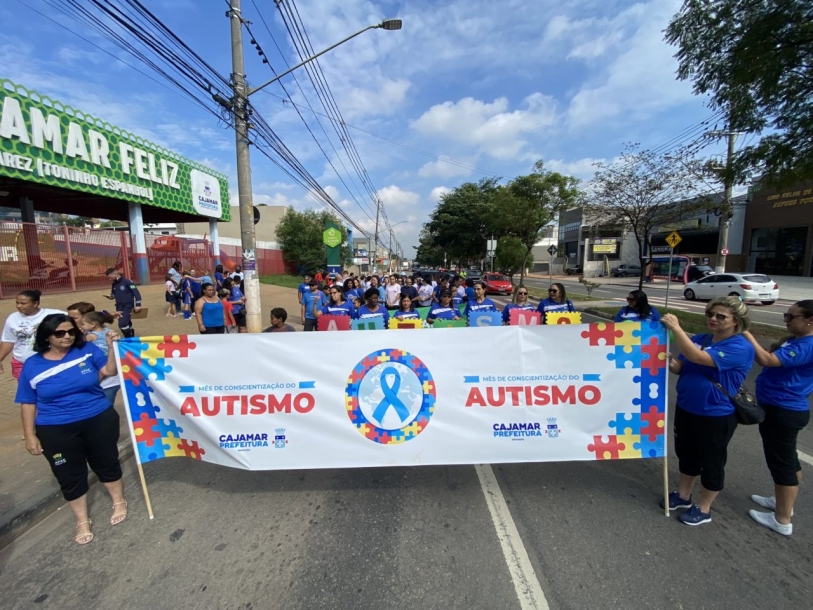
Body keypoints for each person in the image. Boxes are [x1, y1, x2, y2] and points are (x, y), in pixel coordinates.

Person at [15, 314, 126, 545]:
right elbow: (27, 402)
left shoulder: (85, 351)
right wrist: (29, 435)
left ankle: (118, 501)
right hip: (54, 428)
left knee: (106, 461)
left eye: (71, 331)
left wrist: (111, 348)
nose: (67, 336)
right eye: (60, 333)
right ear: (47, 337)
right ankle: (82, 520)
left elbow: (110, 371)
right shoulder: (33, 365)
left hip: (98, 418)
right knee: (69, 474)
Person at [660, 296, 755, 526]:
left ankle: (704, 508)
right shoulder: (702, 338)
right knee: (686, 453)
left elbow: (698, 357)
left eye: (721, 316)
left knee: (712, 460)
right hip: (686, 407)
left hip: (716, 413)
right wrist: (672, 362)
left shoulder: (739, 346)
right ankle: (683, 495)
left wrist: (676, 328)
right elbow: (683, 366)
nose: (713, 319)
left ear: (736, 321)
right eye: (710, 315)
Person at [742, 300, 813, 536]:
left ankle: (782, 519)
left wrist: (747, 333)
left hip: (784, 410)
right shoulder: (796, 340)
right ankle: (782, 503)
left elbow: (767, 360)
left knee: (781, 463)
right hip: (779, 407)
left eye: (791, 317)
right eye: (786, 315)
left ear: (809, 320)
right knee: (787, 459)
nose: (786, 320)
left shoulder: (807, 345)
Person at [1, 290, 64, 379]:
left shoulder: (54, 315)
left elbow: (77, 321)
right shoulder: (13, 318)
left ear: (35, 303)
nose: (19, 306)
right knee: (26, 390)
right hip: (21, 364)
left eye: (23, 303)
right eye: (17, 303)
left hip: (48, 362)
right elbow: (8, 340)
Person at [79, 311, 121, 406]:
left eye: (83, 324)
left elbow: (81, 345)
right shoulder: (107, 330)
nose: (82, 326)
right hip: (109, 356)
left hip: (100, 358)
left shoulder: (91, 336)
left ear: (93, 324)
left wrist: (81, 334)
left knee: (100, 374)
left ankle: (94, 385)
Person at [104, 268, 141, 338]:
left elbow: (136, 293)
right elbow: (113, 293)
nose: (109, 279)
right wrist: (111, 296)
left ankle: (128, 340)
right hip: (119, 307)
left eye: (110, 277)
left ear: (115, 274)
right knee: (127, 322)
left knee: (122, 324)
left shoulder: (127, 282)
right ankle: (131, 336)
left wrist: (138, 305)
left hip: (128, 306)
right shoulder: (114, 284)